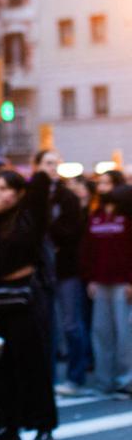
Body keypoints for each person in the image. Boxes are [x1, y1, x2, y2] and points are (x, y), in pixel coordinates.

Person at [0, 170, 59, 440]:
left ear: (19, 192)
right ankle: (7, 426)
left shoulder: (30, 216)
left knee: (32, 363)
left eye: (5, 188)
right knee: (0, 364)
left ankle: (44, 428)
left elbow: (41, 181)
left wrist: (21, 182)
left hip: (25, 296)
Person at [34, 150, 90, 396]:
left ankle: (75, 376)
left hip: (66, 269)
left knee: (71, 324)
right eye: (48, 163)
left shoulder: (67, 197)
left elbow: (72, 231)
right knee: (48, 326)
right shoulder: (34, 195)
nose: (53, 168)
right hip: (42, 270)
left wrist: (49, 231)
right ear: (37, 166)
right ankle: (48, 377)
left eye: (56, 163)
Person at [80, 169, 132, 394]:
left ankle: (125, 381)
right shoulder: (96, 216)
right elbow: (89, 250)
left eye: (107, 183)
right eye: (100, 184)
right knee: (101, 333)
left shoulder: (128, 217)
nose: (102, 188)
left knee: (124, 335)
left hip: (123, 283)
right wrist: (90, 278)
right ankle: (104, 381)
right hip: (99, 282)